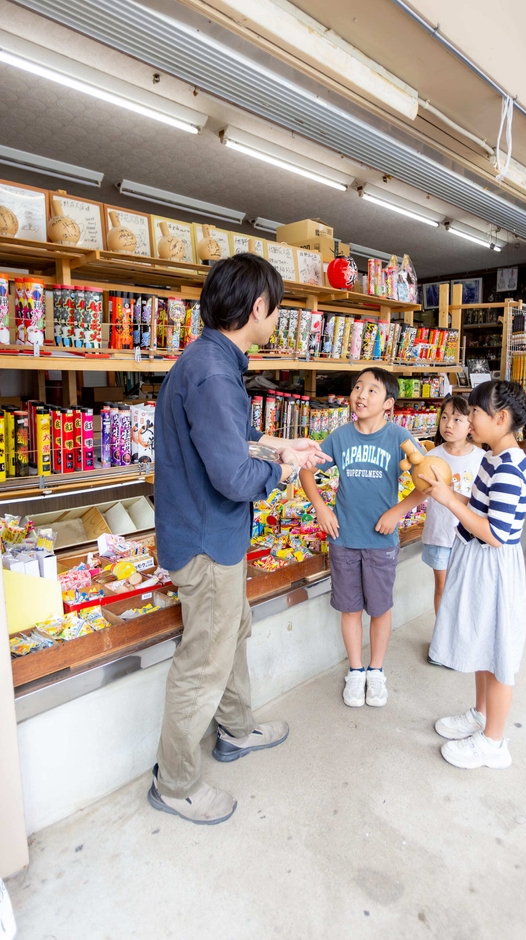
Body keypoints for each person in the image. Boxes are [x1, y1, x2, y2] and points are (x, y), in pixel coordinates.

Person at [150, 254, 328, 825]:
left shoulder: (212, 362)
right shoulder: (212, 373)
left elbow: (237, 439)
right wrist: (281, 471)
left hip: (215, 536)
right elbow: (232, 475)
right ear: (258, 308)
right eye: (275, 310)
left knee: (234, 633)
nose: (275, 319)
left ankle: (235, 730)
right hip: (205, 542)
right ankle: (174, 783)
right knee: (204, 661)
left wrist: (280, 446)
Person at [421, 380, 526, 770]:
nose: (468, 418)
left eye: (474, 412)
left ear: (501, 418)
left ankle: (494, 742)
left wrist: (448, 503)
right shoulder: (492, 457)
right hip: (477, 561)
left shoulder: (509, 465)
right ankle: (480, 715)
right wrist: (448, 492)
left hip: (493, 565)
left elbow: (495, 533)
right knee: (481, 644)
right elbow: (476, 505)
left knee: (499, 653)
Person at [300, 368, 425, 708]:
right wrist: (322, 509)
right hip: (344, 539)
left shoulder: (399, 437)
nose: (361, 394)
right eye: (358, 387)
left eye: (372, 390)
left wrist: (398, 511)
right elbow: (307, 469)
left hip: (382, 543)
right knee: (350, 608)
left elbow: (428, 482)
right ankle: (356, 672)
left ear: (388, 403)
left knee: (380, 609)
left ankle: (376, 671)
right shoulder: (340, 437)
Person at [421, 396, 483, 663]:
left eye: (457, 419)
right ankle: (443, 639)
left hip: (468, 537)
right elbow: (420, 490)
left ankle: (464, 640)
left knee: (466, 589)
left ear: (471, 425)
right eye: (445, 417)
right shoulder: (432, 456)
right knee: (442, 587)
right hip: (439, 532)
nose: (448, 424)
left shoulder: (482, 458)